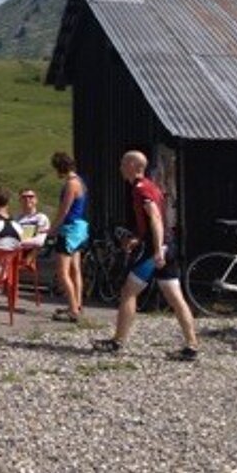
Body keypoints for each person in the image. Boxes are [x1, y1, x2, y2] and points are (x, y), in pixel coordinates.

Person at [94, 151, 199, 361]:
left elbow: (156, 218)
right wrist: (138, 238)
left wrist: (157, 248)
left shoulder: (141, 189)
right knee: (175, 297)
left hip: (156, 250)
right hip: (168, 245)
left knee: (128, 292)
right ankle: (191, 345)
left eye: (123, 163)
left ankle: (118, 341)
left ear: (134, 165)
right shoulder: (152, 186)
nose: (120, 167)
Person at [51, 152, 89, 322]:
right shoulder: (80, 181)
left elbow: (64, 210)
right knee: (76, 270)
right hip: (80, 228)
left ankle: (73, 309)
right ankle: (77, 304)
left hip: (69, 229)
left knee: (63, 271)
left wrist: (53, 228)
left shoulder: (70, 184)